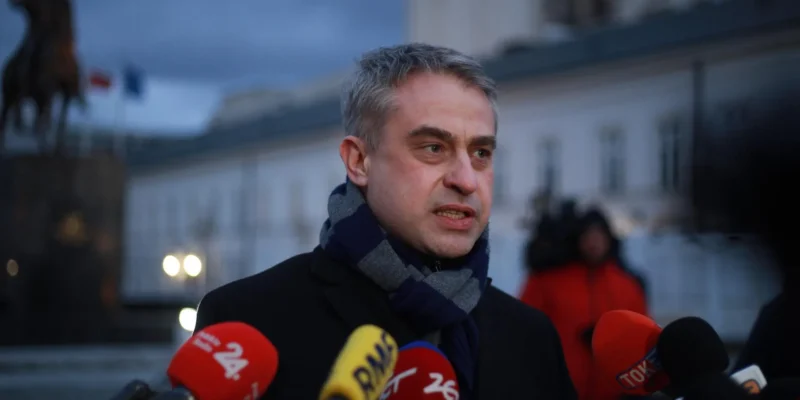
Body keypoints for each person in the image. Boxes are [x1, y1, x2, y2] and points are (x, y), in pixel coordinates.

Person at [194, 43, 577, 399]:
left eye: (481, 153)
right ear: (359, 161)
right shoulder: (246, 324)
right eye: (433, 148)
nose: (466, 180)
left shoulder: (531, 337)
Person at [520, 207, 648, 400]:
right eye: (588, 236)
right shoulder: (550, 281)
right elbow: (523, 330)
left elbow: (643, 341)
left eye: (599, 236)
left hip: (613, 392)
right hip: (560, 389)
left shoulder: (627, 285)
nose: (594, 243)